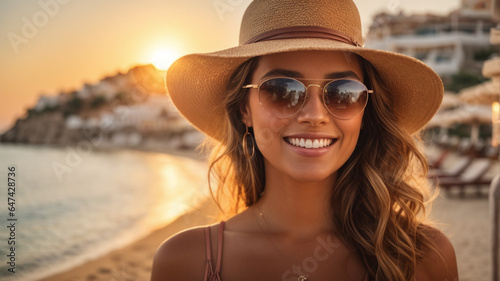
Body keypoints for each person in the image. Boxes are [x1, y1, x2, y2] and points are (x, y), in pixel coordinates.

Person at [151, 0, 459, 280]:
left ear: (365, 112)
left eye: (343, 93)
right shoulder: (185, 262)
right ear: (244, 109)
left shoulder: (423, 257)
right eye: (281, 90)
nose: (315, 115)